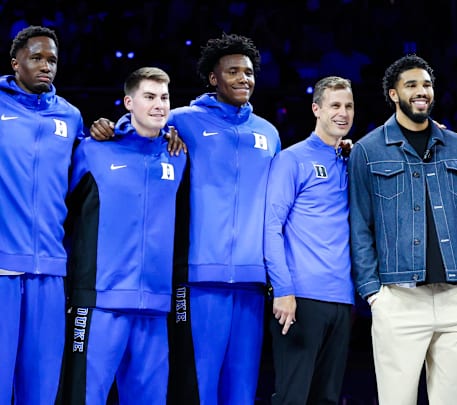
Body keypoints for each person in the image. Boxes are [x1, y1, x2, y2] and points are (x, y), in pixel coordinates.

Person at [90, 33, 281, 405]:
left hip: (252, 281)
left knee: (242, 390)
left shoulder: (268, 133)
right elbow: (143, 126)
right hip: (198, 279)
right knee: (197, 387)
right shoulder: (184, 121)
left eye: (249, 72)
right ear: (213, 78)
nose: (244, 78)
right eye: (233, 72)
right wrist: (110, 127)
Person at [348, 54, 457, 404]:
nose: (421, 91)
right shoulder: (367, 150)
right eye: (411, 85)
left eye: (426, 84)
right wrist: (373, 293)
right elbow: (360, 226)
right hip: (398, 298)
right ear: (393, 94)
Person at [62, 67, 186, 404]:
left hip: (155, 305)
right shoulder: (93, 151)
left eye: (164, 98)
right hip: (101, 303)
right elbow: (62, 214)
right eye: (149, 97)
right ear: (128, 102)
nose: (159, 105)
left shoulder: (178, 156)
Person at [0, 25, 84, 405]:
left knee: (42, 387)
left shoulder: (70, 117)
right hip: (2, 266)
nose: (46, 66)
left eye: (51, 59)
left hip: (50, 269)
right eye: (36, 58)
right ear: (15, 63)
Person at [264, 76, 355, 404]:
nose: (343, 113)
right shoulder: (292, 159)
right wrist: (284, 290)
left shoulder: (350, 159)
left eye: (348, 106)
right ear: (316, 109)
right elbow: (271, 228)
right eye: (335, 105)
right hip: (300, 299)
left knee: (327, 398)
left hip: (342, 300)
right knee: (293, 397)